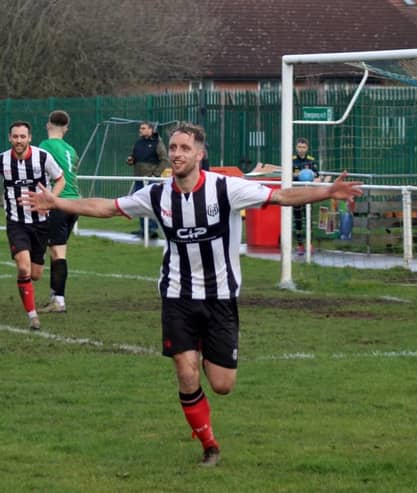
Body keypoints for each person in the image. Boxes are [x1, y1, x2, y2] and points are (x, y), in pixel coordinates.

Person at [20, 122, 362, 467]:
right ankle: (209, 445)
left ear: (200, 154)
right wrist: (57, 202)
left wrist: (326, 192)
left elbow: (282, 196)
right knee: (186, 372)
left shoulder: (227, 189)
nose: (177, 154)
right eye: (173, 147)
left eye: (185, 148)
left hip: (221, 297)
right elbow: (107, 206)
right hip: (177, 295)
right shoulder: (156, 195)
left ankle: (202, 365)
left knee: (222, 384)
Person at [1, 120, 65, 330]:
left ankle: (32, 280)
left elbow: (60, 180)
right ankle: (32, 316)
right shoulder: (2, 160)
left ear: (29, 138)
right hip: (16, 223)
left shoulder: (42, 157)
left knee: (35, 274)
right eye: (15, 137)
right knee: (23, 267)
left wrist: (50, 200)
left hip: (40, 224)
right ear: (9, 138)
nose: (19, 140)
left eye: (23, 137)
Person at [37, 110, 80, 314]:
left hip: (59, 202)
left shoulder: (45, 146)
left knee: (57, 251)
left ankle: (59, 301)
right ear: (67, 129)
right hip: (75, 204)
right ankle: (55, 296)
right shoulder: (71, 149)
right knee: (57, 251)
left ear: (48, 125)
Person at [126, 121, 169, 239]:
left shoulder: (158, 143)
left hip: (151, 180)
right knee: (139, 203)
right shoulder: (138, 143)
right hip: (139, 178)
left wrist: (155, 174)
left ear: (151, 130)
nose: (140, 130)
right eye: (140, 128)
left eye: (143, 128)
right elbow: (133, 157)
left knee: (151, 204)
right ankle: (143, 229)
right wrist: (130, 160)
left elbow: (164, 160)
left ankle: (152, 229)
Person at [292, 137, 320, 255]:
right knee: (298, 220)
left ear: (307, 148)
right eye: (299, 147)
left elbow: (318, 177)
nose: (301, 150)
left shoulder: (311, 161)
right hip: (297, 194)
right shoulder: (291, 160)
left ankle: (310, 244)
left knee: (308, 219)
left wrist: (314, 177)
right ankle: (300, 245)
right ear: (296, 147)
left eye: (303, 147)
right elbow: (287, 176)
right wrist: (295, 175)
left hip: (308, 194)